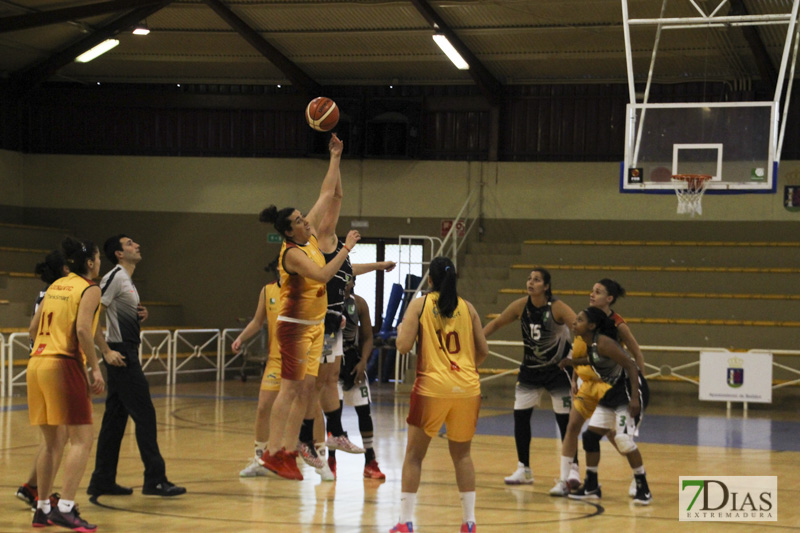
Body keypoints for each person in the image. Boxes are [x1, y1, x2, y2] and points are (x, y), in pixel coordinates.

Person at [258, 133, 361, 481]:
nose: (307, 220)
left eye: (305, 217)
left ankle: (289, 450)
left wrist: (335, 157)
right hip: (294, 328)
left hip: (316, 327)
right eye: (300, 220)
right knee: (289, 390)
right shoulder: (293, 254)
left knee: (305, 390)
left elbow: (326, 194)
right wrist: (345, 249)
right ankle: (273, 452)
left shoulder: (311, 236)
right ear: (290, 231)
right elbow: (322, 274)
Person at [391, 257, 488, 533]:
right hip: (468, 388)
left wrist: (401, 331)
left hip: (432, 388)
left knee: (414, 456)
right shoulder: (468, 308)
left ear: (430, 280)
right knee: (462, 456)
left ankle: (405, 522)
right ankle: (469, 522)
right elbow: (483, 351)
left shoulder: (420, 304)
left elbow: (403, 345)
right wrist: (462, 370)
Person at [86, 235, 186, 497]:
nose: (137, 245)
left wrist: (139, 314)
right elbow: (92, 317)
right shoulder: (114, 277)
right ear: (119, 253)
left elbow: (119, 314)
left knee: (114, 421)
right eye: (130, 244)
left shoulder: (126, 280)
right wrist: (106, 352)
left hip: (127, 352)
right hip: (121, 356)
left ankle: (102, 480)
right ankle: (155, 479)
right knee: (145, 416)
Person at [27, 237, 105, 531]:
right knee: (82, 440)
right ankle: (66, 507)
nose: (100, 264)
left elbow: (32, 329)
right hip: (64, 363)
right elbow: (84, 329)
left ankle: (42, 508)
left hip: (37, 363)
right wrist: (95, 369)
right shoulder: (90, 289)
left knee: (50, 443)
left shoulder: (56, 285)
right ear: (89, 262)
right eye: (98, 259)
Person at [482, 268, 580, 487]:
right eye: (529, 279)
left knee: (565, 422)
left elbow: (580, 328)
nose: (531, 282)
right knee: (520, 417)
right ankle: (524, 468)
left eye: (536, 280)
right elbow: (497, 323)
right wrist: (477, 339)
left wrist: (576, 358)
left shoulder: (558, 308)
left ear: (546, 286)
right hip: (530, 370)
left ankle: (573, 469)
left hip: (558, 371)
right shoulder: (520, 306)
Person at [551, 279, 646, 497]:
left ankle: (637, 477)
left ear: (609, 298)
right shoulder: (585, 318)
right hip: (588, 384)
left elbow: (635, 354)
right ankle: (565, 479)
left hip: (609, 385)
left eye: (598, 292)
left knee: (616, 436)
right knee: (572, 427)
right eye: (592, 290)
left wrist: (639, 385)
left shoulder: (617, 324)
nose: (592, 294)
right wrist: (575, 378)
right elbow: (582, 352)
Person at [16, 251, 69, 511]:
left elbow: (32, 330)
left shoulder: (47, 292)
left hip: (39, 362)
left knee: (54, 437)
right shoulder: (60, 293)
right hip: (52, 363)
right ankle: (42, 497)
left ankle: (32, 487)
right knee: (58, 438)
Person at [326, 276, 386, 480]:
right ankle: (330, 460)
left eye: (348, 280)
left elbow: (368, 337)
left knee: (364, 412)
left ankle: (370, 460)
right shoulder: (325, 302)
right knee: (334, 413)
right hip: (332, 361)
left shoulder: (359, 303)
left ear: (353, 282)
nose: (345, 284)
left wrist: (363, 363)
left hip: (353, 362)